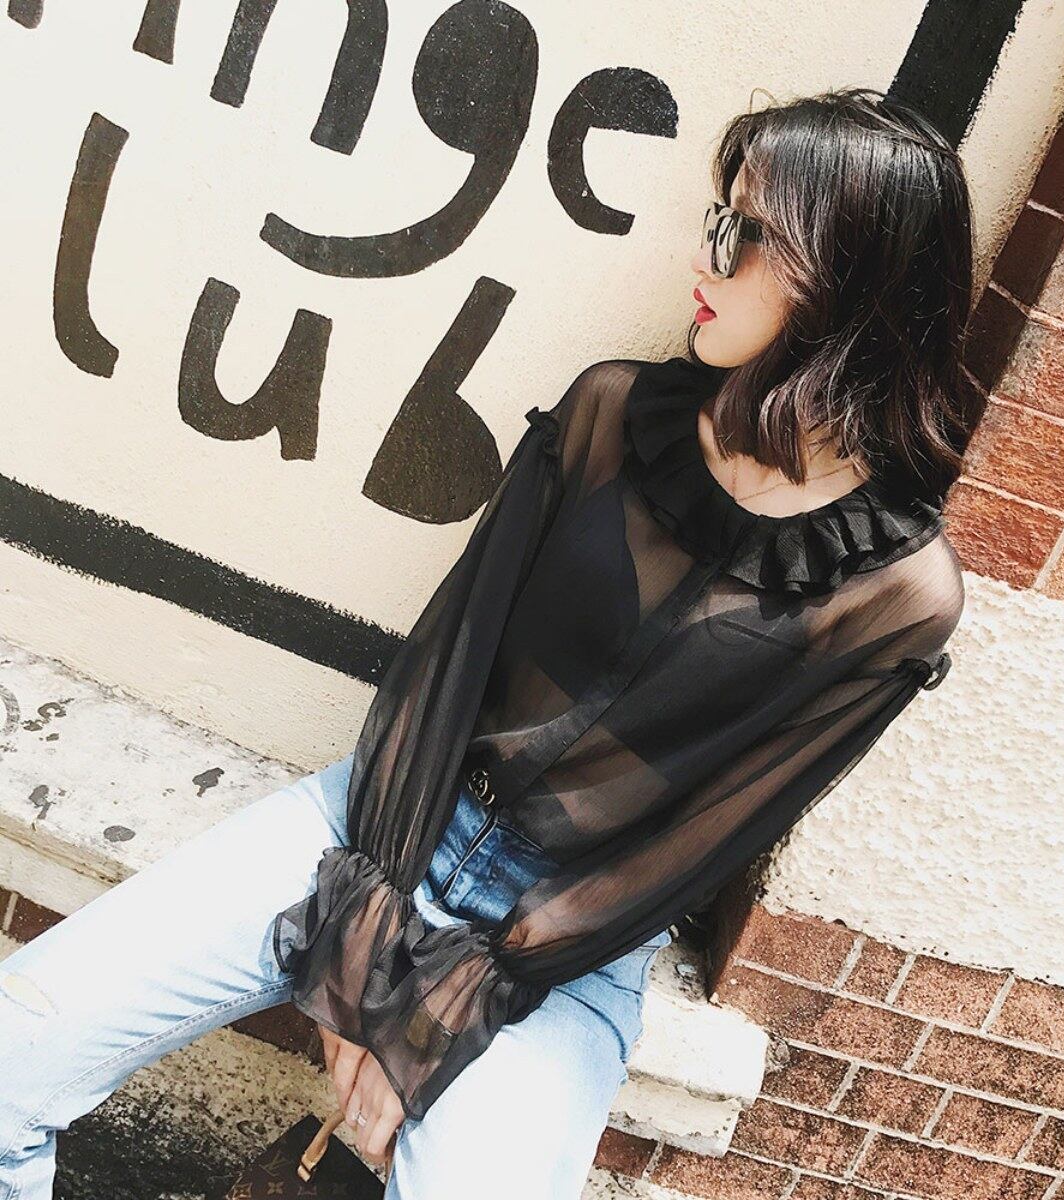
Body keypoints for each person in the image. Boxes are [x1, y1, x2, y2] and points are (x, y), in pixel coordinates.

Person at [0, 86, 972, 1199]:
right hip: (384, 822)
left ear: (845, 279)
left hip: (568, 951)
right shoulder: (613, 414)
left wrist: (444, 1006)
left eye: (742, 233)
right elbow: (448, 663)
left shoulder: (899, 597)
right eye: (717, 218)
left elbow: (701, 842)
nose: (701, 257)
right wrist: (370, 949)